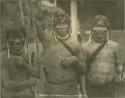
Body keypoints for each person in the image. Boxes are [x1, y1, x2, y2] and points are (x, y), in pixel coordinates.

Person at [35, 10, 87, 98]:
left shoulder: (76, 45)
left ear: (68, 26)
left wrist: (76, 61)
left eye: (65, 24)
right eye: (58, 24)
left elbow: (83, 70)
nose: (62, 27)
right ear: (54, 27)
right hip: (53, 90)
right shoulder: (47, 41)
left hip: (71, 90)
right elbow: (37, 24)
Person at [81, 15, 123, 98]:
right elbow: (82, 73)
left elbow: (119, 69)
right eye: (97, 26)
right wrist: (83, 92)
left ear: (107, 29)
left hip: (109, 89)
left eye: (103, 26)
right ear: (92, 29)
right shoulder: (85, 47)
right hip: (91, 89)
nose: (99, 29)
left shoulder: (114, 46)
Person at [1, 23, 39, 98]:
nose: (17, 41)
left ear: (25, 38)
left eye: (20, 37)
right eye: (13, 38)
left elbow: (37, 75)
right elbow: (6, 84)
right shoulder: (3, 57)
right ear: (8, 40)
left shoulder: (29, 55)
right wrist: (29, 83)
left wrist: (25, 65)